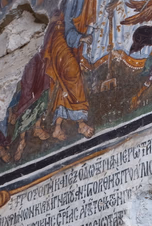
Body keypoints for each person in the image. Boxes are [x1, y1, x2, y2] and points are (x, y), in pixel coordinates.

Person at [43, 0, 96, 140]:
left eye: (87, 132)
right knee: (72, 76)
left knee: (68, 81)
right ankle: (57, 127)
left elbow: (68, 26)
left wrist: (81, 39)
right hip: (61, 39)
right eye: (90, 130)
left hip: (61, 39)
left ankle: (57, 127)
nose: (89, 129)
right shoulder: (73, 6)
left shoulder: (72, 6)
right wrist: (81, 39)